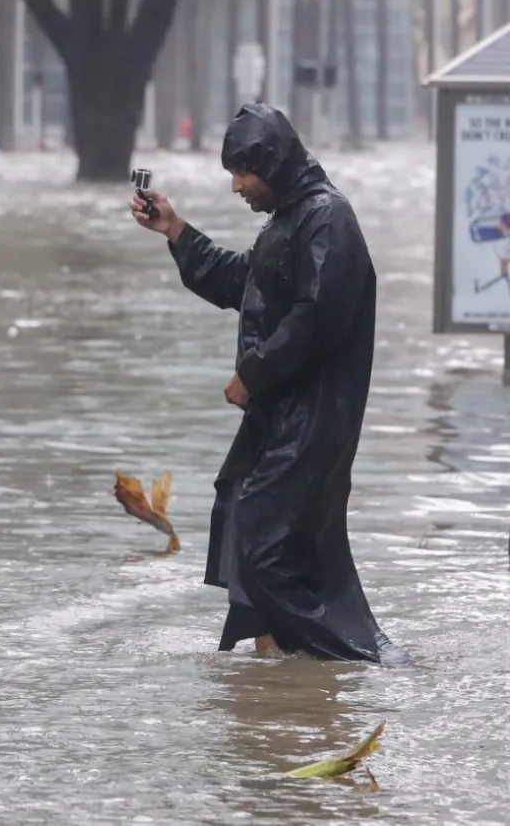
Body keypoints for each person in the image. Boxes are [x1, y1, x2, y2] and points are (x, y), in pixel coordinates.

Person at [131, 103, 406, 664]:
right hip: (282, 414)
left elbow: (318, 315)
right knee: (243, 511)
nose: (236, 186)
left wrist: (252, 375)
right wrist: (175, 229)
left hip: (315, 416)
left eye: (243, 172)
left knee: (265, 536)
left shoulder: (329, 218)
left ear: (274, 164)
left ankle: (345, 657)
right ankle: (277, 660)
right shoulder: (289, 219)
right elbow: (243, 281)